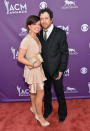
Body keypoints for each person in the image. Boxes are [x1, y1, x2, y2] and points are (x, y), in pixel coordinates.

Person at [18, 15, 50, 127]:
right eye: (34, 24)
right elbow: (20, 58)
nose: (37, 26)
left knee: (34, 92)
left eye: (38, 24)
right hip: (33, 70)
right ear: (29, 26)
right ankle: (40, 117)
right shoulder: (26, 40)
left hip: (38, 69)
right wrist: (32, 64)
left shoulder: (36, 37)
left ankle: (33, 108)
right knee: (40, 93)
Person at [38, 8, 69, 122]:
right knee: (46, 93)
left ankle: (62, 113)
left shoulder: (60, 33)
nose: (44, 21)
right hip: (43, 71)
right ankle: (48, 110)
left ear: (51, 19)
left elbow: (65, 53)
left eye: (46, 18)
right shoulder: (39, 33)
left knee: (59, 93)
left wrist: (61, 70)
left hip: (56, 71)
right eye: (41, 19)